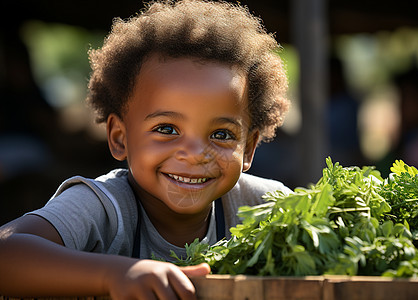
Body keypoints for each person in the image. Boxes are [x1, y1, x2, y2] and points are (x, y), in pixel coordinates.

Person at [0, 1, 291, 299]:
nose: (194, 153)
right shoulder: (103, 207)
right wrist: (114, 274)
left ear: (249, 149)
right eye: (167, 129)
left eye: (221, 134)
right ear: (119, 138)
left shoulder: (263, 205)